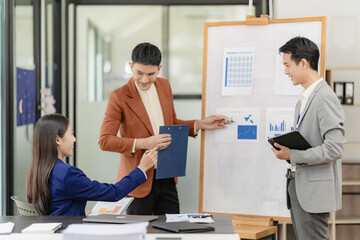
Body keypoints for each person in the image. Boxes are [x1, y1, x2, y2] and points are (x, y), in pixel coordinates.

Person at [99, 42, 227, 215]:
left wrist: (199, 124)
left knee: (172, 230)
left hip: (166, 174)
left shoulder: (164, 86)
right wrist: (146, 143)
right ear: (131, 66)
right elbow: (105, 140)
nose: (144, 80)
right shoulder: (118, 97)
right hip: (138, 178)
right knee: (141, 233)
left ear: (159, 69)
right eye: (139, 73)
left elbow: (171, 124)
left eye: (151, 74)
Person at [272, 37, 345, 240]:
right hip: (299, 188)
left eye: (288, 65)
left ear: (303, 62)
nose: (286, 71)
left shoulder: (325, 98)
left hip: (314, 193)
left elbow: (334, 149)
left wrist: (292, 154)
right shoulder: (304, 99)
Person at [27, 113, 157, 216]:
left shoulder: (39, 169)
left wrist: (79, 214)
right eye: (71, 133)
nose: (74, 139)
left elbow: (56, 207)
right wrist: (142, 168)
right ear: (57, 140)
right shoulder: (66, 174)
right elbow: (114, 193)